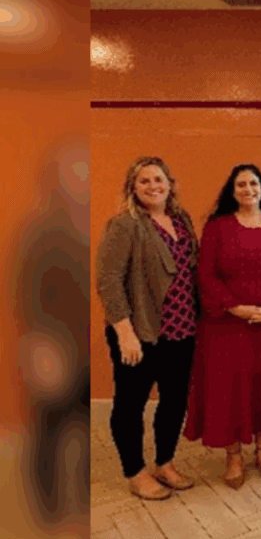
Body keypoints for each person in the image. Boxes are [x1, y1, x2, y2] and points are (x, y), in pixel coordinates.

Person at [183, 164, 261, 489]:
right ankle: (234, 455)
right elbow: (206, 275)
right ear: (232, 190)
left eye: (253, 183)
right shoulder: (217, 228)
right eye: (241, 184)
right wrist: (237, 308)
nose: (248, 189)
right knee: (229, 389)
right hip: (227, 326)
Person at [95, 156, 200, 500]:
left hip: (182, 330)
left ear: (170, 184)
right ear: (133, 187)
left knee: (174, 401)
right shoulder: (124, 225)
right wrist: (125, 334)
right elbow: (109, 282)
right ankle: (135, 471)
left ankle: (164, 463)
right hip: (140, 332)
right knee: (131, 404)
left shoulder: (181, 220)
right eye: (144, 181)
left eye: (158, 179)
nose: (153, 186)